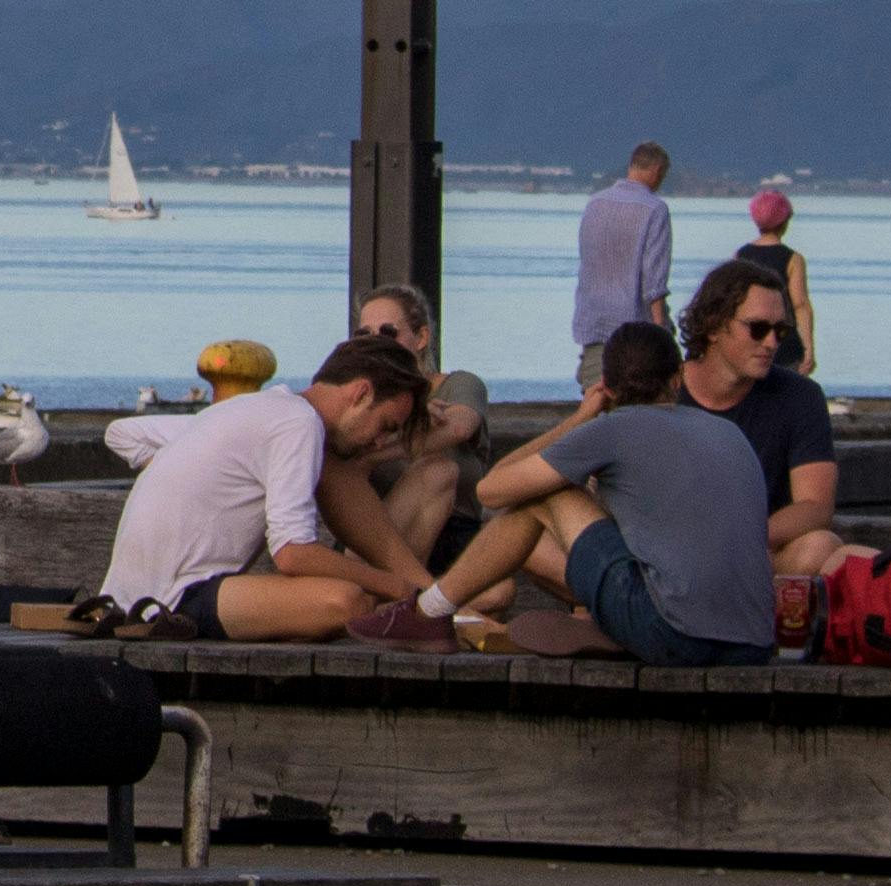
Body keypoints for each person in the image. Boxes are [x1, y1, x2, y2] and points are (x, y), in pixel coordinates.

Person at [389, 317, 776, 665]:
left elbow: (492, 491)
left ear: (605, 385)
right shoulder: (729, 433)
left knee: (546, 495)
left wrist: (580, 419)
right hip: (754, 642)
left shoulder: (612, 428)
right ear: (677, 377)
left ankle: (428, 612)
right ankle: (612, 629)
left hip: (672, 631)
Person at [95, 336, 433, 640]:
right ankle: (423, 601)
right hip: (170, 600)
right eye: (385, 426)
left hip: (125, 596)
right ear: (361, 393)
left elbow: (126, 433)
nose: (379, 443)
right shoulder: (298, 424)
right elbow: (292, 553)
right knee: (346, 602)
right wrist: (394, 586)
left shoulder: (253, 408)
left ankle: (429, 599)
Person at [679, 255, 844, 588]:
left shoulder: (801, 396)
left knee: (823, 547)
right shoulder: (664, 391)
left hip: (760, 558)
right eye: (758, 329)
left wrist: (754, 540)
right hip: (672, 555)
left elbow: (815, 506)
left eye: (780, 331)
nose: (771, 343)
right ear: (713, 326)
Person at [351, 284, 486, 564]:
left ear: (421, 337)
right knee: (435, 471)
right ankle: (397, 594)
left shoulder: (457, 384)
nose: (376, 342)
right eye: (364, 335)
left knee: (497, 594)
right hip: (384, 532)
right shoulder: (357, 400)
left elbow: (460, 426)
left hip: (455, 537)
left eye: (389, 332)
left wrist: (377, 448)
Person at [569, 143, 675, 363]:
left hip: (592, 322)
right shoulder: (655, 209)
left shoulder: (594, 203)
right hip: (634, 332)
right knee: (639, 393)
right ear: (657, 171)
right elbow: (654, 282)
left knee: (595, 388)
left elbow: (586, 259)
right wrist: (662, 334)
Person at [743, 185, 817, 379]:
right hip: (784, 339)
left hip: (751, 336)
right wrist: (808, 346)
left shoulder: (741, 255)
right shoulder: (792, 259)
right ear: (785, 222)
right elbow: (800, 304)